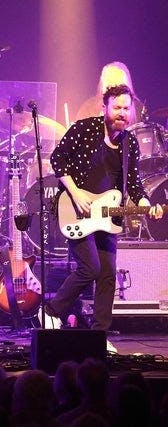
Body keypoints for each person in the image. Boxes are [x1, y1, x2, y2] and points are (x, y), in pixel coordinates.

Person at [46, 84, 163, 343]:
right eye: (117, 107)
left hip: (108, 217)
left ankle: (99, 335)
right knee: (90, 268)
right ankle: (50, 311)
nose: (122, 113)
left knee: (108, 274)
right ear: (105, 108)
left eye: (126, 108)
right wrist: (76, 192)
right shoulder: (84, 129)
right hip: (76, 209)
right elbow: (57, 159)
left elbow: (134, 185)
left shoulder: (130, 143)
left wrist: (147, 204)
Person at [75, 61, 145, 123]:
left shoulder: (139, 109)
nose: (113, 90)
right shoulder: (88, 108)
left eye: (118, 85)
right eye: (109, 84)